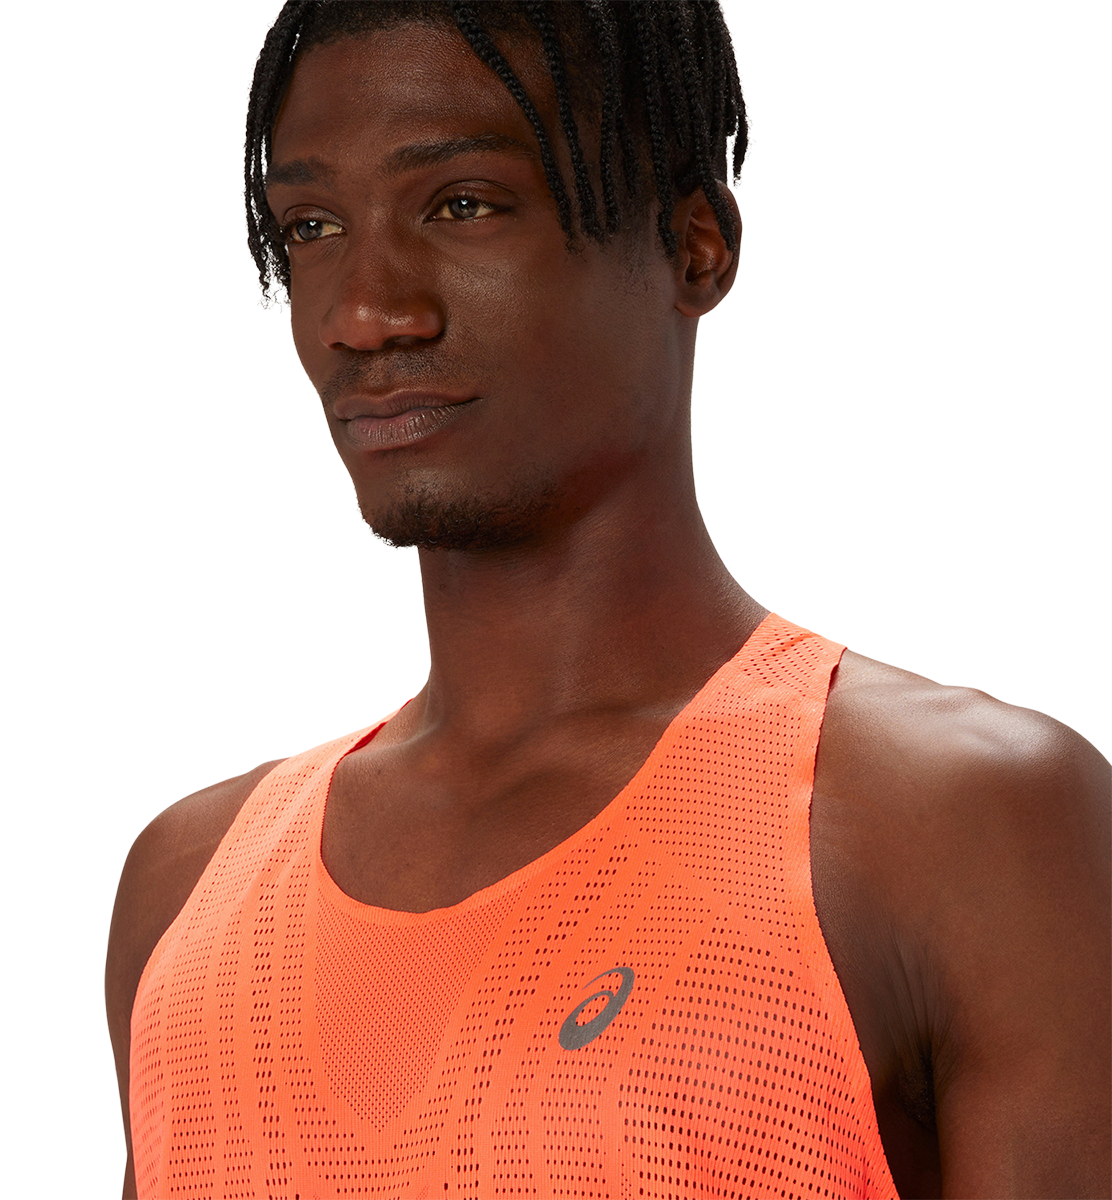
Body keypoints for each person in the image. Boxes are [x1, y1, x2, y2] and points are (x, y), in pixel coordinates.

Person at [105, 1, 1112, 1196]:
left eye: (463, 204)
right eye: (313, 227)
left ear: (695, 248)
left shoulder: (961, 825)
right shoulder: (187, 889)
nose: (365, 316)